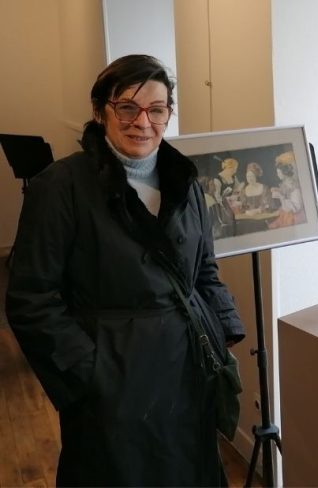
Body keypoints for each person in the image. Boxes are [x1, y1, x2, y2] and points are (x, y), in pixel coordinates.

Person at [5, 54, 245, 486]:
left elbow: (203, 268)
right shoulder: (61, 187)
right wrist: (88, 371)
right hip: (113, 379)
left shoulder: (184, 181)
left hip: (187, 367)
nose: (143, 122)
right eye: (127, 107)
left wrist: (223, 325)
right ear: (100, 111)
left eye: (157, 109)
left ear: (168, 114)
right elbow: (31, 299)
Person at [268, 151, 306, 229]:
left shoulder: (294, 186)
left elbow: (296, 208)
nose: (277, 174)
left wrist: (281, 196)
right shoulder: (285, 184)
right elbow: (286, 193)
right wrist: (278, 191)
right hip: (286, 213)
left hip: (294, 216)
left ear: (284, 172)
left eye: (278, 172)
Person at [211, 157, 242, 238]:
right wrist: (225, 198)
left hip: (232, 205)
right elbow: (217, 197)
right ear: (229, 168)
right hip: (222, 208)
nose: (235, 171)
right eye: (234, 169)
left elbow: (238, 189)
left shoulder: (234, 177)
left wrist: (236, 193)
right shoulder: (217, 179)